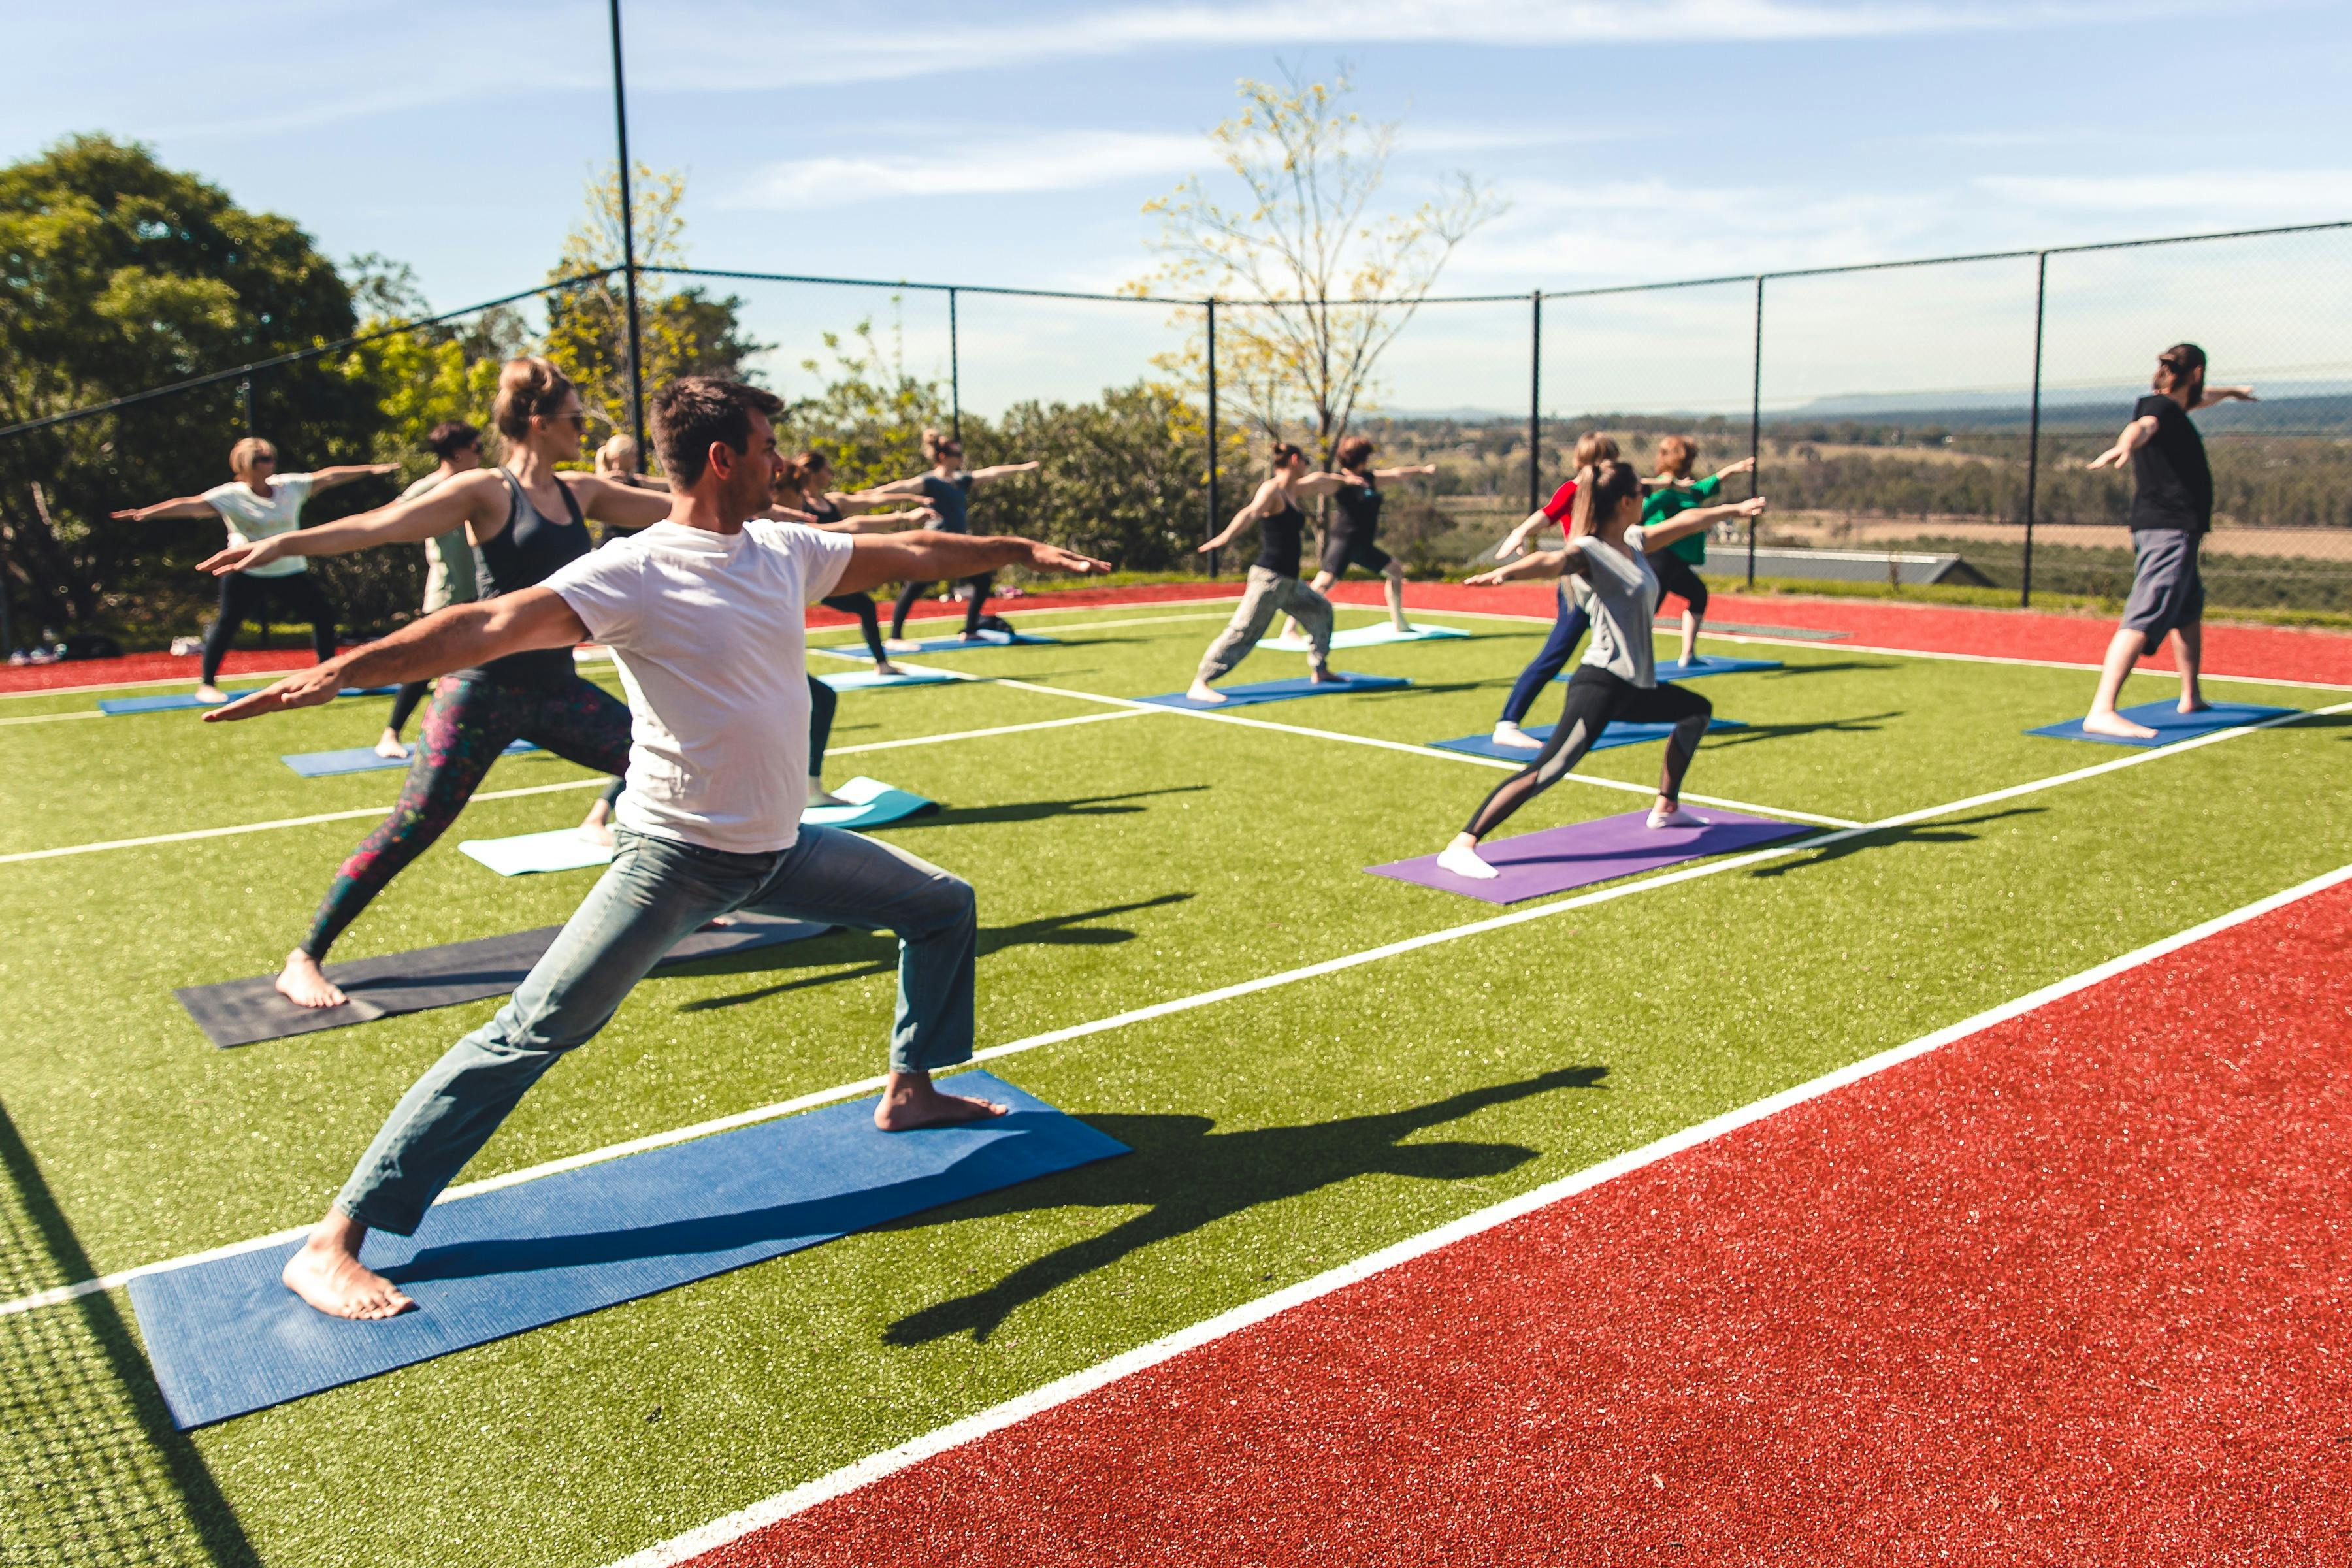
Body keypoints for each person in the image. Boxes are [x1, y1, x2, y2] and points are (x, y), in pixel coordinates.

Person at [203, 376, 1111, 1320]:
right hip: (673, 861)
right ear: (723, 458)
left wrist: (1010, 547)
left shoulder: (782, 551)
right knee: (527, 1034)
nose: (778, 464)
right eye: (765, 448)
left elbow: (912, 548)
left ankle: (910, 1088)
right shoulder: (635, 570)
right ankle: (332, 1240)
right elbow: (484, 624)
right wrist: (337, 675)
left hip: (779, 849)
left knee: (940, 903)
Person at [197, 358, 676, 1010]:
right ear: (539, 423)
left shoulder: (582, 492)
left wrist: (788, 510)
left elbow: (685, 509)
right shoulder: (488, 490)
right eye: (574, 416)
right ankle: (304, 956)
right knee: (414, 825)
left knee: (659, 769)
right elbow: (383, 524)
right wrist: (284, 546)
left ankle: (681, 903)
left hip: (555, 690)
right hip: (481, 693)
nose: (582, 427)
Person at [1435, 459, 1768, 882]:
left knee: (1696, 711)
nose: (1647, 499)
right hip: (1602, 683)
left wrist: (1732, 511)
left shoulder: (1634, 540)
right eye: (1641, 494)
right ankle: (1462, 843)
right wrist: (1506, 573)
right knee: (1549, 769)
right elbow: (1551, 561)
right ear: (1627, 501)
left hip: (1637, 685)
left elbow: (1687, 520)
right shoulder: (1590, 550)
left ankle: (1666, 807)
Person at [577, 452, 934, 841]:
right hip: (713, 648)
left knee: (813, 699)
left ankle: (806, 789)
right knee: (673, 736)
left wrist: (899, 522)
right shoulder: (746, 521)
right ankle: (599, 814)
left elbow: (852, 521)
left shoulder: (768, 520)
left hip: (739, 646)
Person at [113, 439, 397, 703]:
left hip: (289, 569)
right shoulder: (230, 495)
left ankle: (327, 676)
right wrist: (145, 513)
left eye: (272, 458)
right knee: (226, 625)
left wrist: (372, 470)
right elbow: (190, 505)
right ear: (245, 464)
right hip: (245, 571)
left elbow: (330, 476)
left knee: (323, 616)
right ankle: (207, 684)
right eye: (263, 459)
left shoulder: (290, 487)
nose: (270, 463)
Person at [2081, 343, 2256, 739]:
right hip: (2167, 529)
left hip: (2179, 529)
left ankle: (2191, 695)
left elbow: (2197, 400)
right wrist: (2125, 446)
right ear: (2196, 373)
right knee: (2147, 609)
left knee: (2188, 607)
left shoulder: (2173, 406)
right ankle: (2102, 709)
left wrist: (2231, 393)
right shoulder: (2158, 410)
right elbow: (2142, 427)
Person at [1484, 433, 1624, 750]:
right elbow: (1546, 515)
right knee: (1556, 653)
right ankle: (1507, 723)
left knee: (1625, 646)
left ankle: (1625, 706)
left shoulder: (1610, 489)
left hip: (1608, 580)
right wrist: (1519, 532)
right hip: (1581, 583)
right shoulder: (1575, 490)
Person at [847, 429, 1041, 649]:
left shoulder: (961, 480)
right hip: (935, 543)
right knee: (916, 585)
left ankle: (970, 630)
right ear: (943, 457)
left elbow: (991, 473)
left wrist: (1023, 468)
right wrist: (869, 495)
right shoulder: (930, 482)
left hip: (958, 546)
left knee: (982, 580)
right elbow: (901, 486)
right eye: (957, 455)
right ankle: (895, 637)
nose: (961, 459)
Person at [1185, 442, 1338, 703]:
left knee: (1321, 611)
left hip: (1290, 583)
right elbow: (1251, 512)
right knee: (1243, 630)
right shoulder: (1273, 489)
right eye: (1305, 460)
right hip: (1269, 579)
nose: (1307, 466)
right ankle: (1200, 681)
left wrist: (1351, 481)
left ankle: (1320, 670)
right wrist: (1225, 537)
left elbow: (1321, 480)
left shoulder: (1293, 490)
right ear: (1294, 459)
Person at [376, 421, 485, 759]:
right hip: (448, 590)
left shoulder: (482, 484)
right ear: (456, 452)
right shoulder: (428, 488)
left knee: (492, 662)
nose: (481, 454)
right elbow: (387, 517)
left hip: (483, 588)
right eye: (477, 448)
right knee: (425, 663)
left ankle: (474, 730)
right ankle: (391, 734)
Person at [1277, 436, 1437, 644]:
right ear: (1359, 458)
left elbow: (1397, 474)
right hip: (1344, 542)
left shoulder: (1370, 478)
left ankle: (1399, 623)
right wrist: (1285, 485)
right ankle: (1289, 629)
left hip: (1364, 545)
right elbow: (1317, 481)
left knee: (1395, 571)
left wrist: (1423, 470)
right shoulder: (1339, 482)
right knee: (1323, 584)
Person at [1642, 437, 1754, 670]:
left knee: (1698, 595)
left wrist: (1732, 470)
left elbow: (1703, 488)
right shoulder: (1666, 488)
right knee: (1647, 611)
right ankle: (1631, 660)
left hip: (1677, 562)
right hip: (1661, 557)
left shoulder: (1684, 489)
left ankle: (1688, 654)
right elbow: (1640, 513)